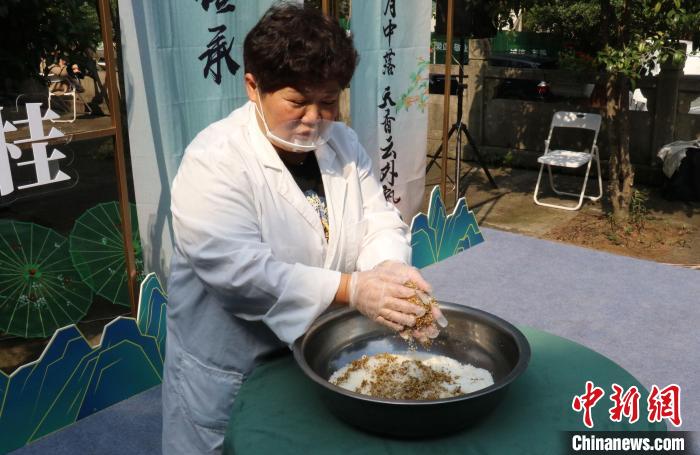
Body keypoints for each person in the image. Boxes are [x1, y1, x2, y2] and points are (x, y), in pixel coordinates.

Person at [163, 3, 445, 454]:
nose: (315, 117)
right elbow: (238, 272)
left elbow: (376, 220)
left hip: (313, 359)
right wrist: (353, 289)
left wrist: (389, 272)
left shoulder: (342, 143)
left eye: (328, 101)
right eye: (297, 102)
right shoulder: (214, 160)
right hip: (233, 367)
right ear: (253, 87)